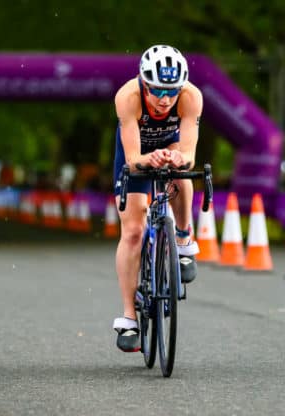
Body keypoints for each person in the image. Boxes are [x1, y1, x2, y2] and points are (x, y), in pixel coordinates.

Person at [112, 44, 203, 352]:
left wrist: (180, 160)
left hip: (171, 142)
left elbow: (189, 154)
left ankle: (182, 238)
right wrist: (147, 159)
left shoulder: (191, 97)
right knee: (134, 231)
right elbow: (133, 159)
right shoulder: (128, 97)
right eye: (158, 91)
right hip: (136, 150)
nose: (165, 100)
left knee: (180, 173)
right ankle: (129, 317)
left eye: (172, 92)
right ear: (144, 82)